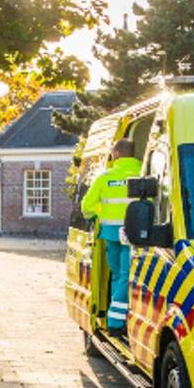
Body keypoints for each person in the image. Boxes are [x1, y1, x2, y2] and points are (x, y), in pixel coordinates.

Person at [81, 138, 141, 339]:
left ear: (116, 154)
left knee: (118, 276)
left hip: (110, 234)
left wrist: (99, 216)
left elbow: (86, 207)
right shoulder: (143, 173)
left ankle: (115, 321)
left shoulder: (105, 177)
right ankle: (118, 319)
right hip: (134, 235)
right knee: (124, 276)